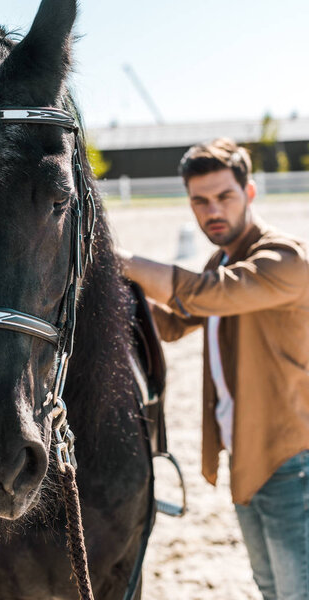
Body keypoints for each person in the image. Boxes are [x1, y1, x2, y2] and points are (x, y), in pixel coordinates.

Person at [120, 138, 309, 600]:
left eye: (224, 196)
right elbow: (170, 322)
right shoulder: (222, 260)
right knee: (271, 588)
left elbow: (206, 294)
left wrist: (120, 261)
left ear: (250, 193)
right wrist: (112, 290)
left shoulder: (286, 260)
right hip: (244, 453)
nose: (212, 211)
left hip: (292, 458)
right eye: (199, 201)